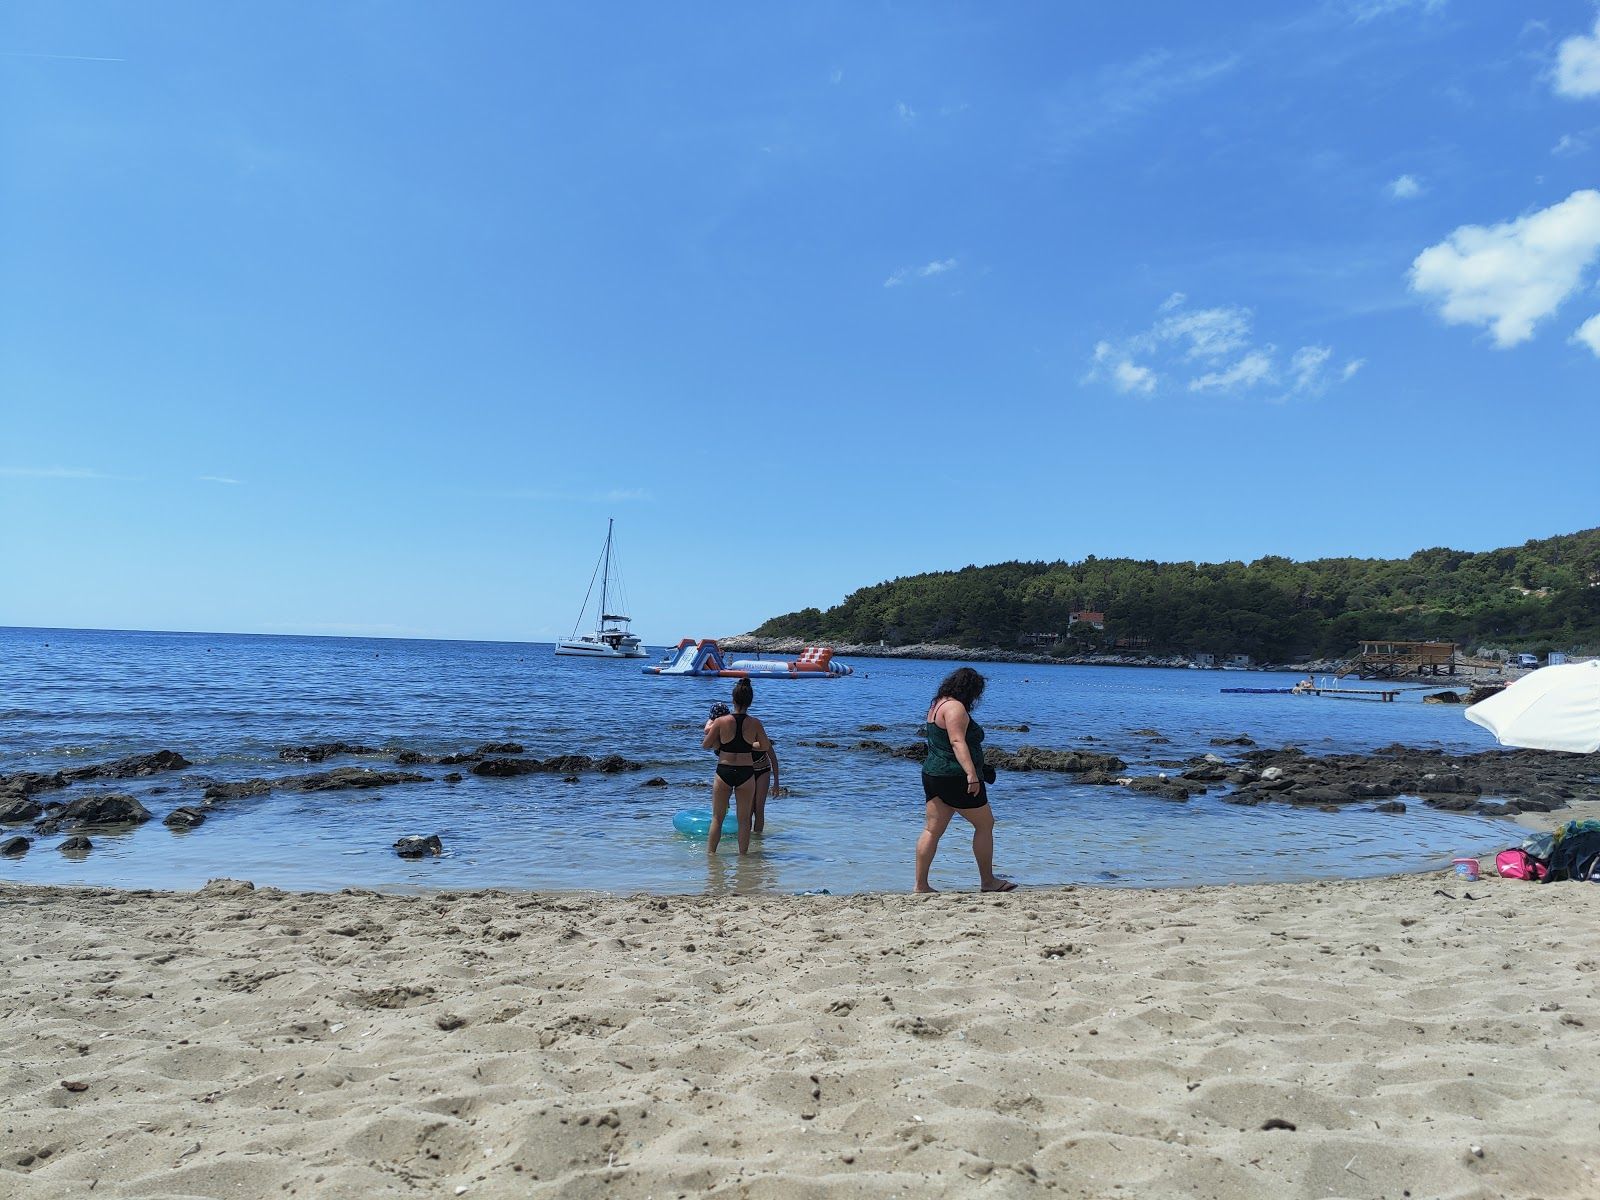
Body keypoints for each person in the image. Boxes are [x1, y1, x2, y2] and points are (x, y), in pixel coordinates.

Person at [915, 666, 1014, 893]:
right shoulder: (955, 708)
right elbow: (957, 742)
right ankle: (988, 881)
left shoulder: (937, 705)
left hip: (933, 774)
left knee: (932, 830)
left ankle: (921, 885)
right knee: (985, 824)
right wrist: (971, 774)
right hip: (955, 775)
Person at [701, 677, 772, 855]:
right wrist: (748, 745)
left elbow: (706, 745)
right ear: (750, 702)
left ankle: (711, 858)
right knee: (744, 820)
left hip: (724, 770)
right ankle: (742, 859)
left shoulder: (721, 722)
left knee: (717, 818)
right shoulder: (755, 723)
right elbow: (765, 746)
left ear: (733, 700)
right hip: (746, 772)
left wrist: (721, 745)